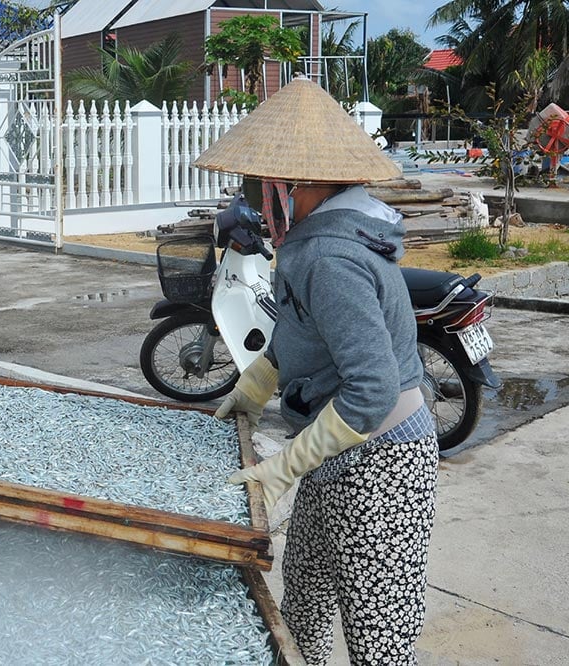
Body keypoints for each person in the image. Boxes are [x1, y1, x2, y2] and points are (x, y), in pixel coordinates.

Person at [197, 77, 437, 665]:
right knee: (302, 600)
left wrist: (288, 464)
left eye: (258, 188)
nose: (251, 200)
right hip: (334, 451)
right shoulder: (311, 241)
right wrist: (256, 384)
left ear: (295, 189)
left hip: (383, 465)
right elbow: (303, 331)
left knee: (376, 630)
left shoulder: (332, 259)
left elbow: (375, 387)